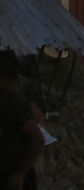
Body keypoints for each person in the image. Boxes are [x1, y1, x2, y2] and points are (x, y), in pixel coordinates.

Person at [0, 51, 41, 190]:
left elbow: (38, 139)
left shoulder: (14, 103)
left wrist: (20, 174)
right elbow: (39, 116)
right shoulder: (16, 98)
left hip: (13, 171)